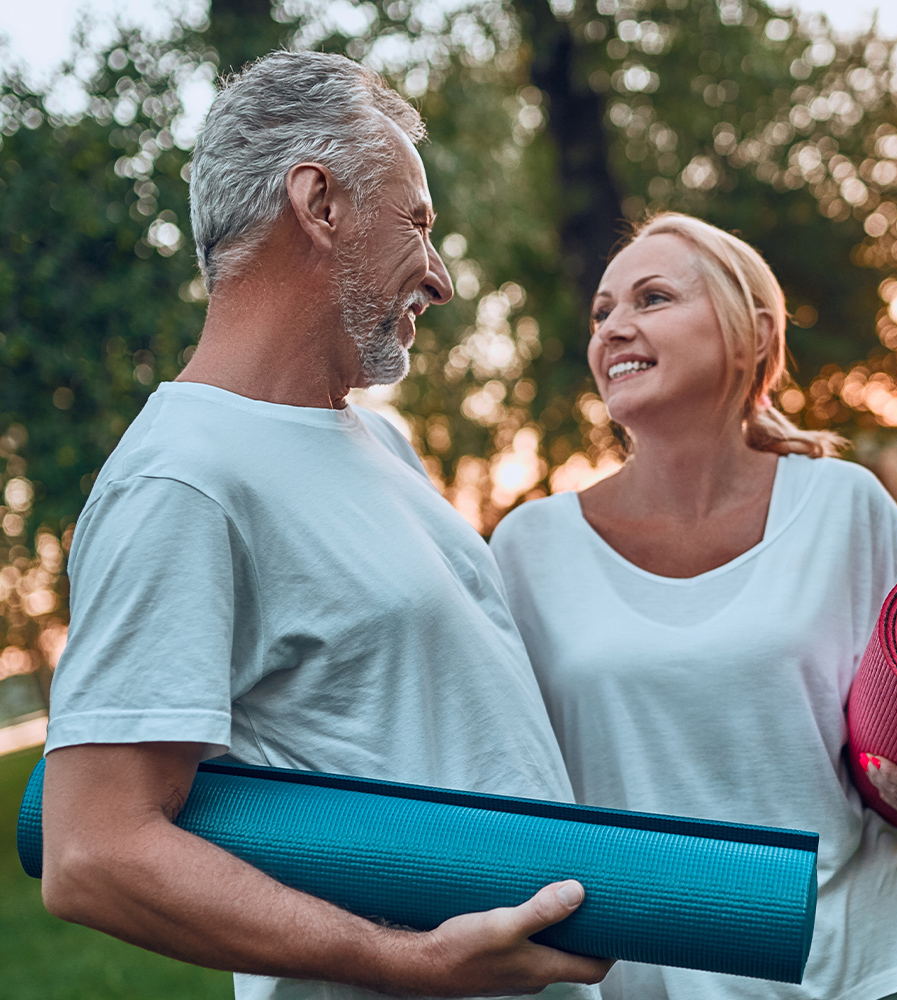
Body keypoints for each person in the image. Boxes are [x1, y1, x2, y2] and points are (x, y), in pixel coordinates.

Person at [39, 51, 611, 1000]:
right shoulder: (179, 479)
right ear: (320, 203)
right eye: (418, 222)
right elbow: (95, 851)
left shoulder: (383, 446)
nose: (440, 276)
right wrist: (410, 962)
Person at [490, 212, 897, 1000]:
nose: (615, 326)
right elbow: (497, 775)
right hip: (648, 978)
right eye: (602, 311)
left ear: (752, 335)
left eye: (652, 298)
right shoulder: (529, 548)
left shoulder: (842, 504)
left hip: (874, 961)